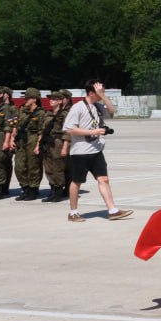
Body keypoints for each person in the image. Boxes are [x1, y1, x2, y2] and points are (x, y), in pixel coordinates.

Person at [64, 79, 132, 221]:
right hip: (80, 152)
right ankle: (73, 212)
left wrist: (104, 97)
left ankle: (113, 210)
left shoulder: (98, 107)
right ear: (90, 93)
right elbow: (69, 129)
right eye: (99, 92)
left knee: (104, 179)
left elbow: (113, 112)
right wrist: (92, 131)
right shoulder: (78, 107)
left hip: (95, 150)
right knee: (77, 181)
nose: (102, 94)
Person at [13, 87, 50, 200]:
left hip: (33, 139)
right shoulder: (22, 110)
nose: (25, 100)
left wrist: (38, 145)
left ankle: (33, 190)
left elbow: (41, 131)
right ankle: (25, 188)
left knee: (33, 165)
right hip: (21, 139)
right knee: (19, 166)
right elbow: (16, 125)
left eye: (28, 98)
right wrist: (12, 140)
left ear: (34, 99)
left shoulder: (41, 113)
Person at [40, 90, 71, 202]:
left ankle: (58, 191)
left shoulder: (64, 115)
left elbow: (68, 132)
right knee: (48, 167)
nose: (51, 101)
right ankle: (52, 190)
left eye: (54, 99)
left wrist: (64, 147)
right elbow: (42, 130)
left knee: (58, 167)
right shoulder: (47, 114)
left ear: (59, 101)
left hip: (58, 142)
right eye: (50, 99)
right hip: (47, 143)